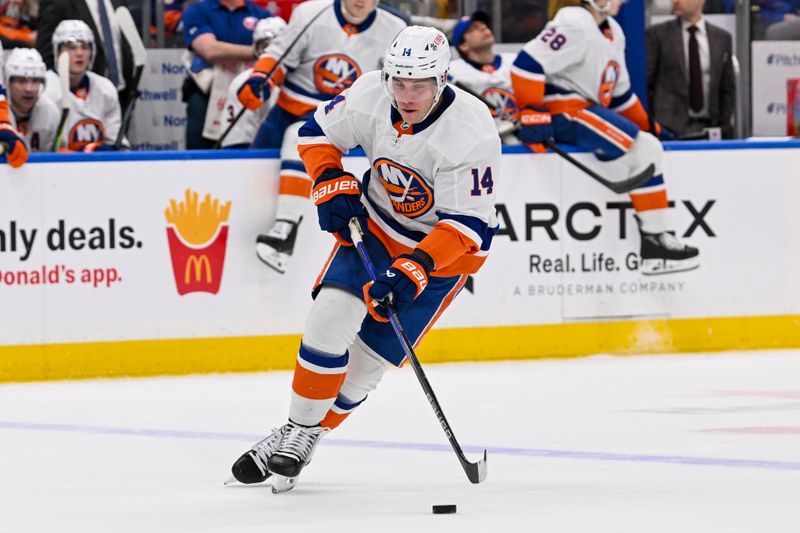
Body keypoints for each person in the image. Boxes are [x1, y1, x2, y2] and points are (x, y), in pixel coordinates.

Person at [229, 26, 500, 493]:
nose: (406, 95)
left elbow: (467, 227)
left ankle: (301, 433)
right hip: (374, 228)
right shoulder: (370, 93)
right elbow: (314, 133)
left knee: (363, 370)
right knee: (328, 319)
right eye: (399, 82)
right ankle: (297, 430)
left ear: (442, 80)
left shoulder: (471, 131)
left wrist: (412, 269)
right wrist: (330, 179)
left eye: (419, 85)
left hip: (442, 253)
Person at [511, 0, 700, 275]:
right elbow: (526, 64)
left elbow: (620, 96)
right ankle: (655, 243)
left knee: (648, 144)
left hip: (586, 109)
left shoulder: (614, 31)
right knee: (645, 150)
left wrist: (650, 126)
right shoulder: (574, 21)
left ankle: (656, 242)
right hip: (563, 110)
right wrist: (531, 112)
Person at [238, 0, 406, 274]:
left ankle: (285, 227)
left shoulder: (394, 29)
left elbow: (392, 85)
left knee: (299, 138)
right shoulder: (310, 13)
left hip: (345, 120)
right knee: (251, 174)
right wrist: (261, 79)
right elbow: (279, 56)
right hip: (290, 111)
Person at [180, 0, 271, 149]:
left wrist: (228, 52)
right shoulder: (198, 11)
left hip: (249, 94)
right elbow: (210, 50)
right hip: (207, 96)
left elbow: (275, 49)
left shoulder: (261, 15)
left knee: (248, 149)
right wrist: (256, 51)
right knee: (201, 157)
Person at [647, 0, 735, 139]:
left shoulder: (722, 38)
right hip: (669, 130)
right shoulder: (657, 35)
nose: (675, 1)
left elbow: (727, 87)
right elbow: (647, 83)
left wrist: (723, 126)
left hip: (710, 129)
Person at [43, 20, 122, 151]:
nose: (79, 53)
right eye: (71, 47)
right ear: (57, 51)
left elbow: (115, 141)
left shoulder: (105, 89)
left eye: (85, 47)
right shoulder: (44, 88)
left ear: (92, 52)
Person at [447, 10, 520, 144]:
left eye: (483, 25)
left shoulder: (516, 62)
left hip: (520, 137)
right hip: (477, 143)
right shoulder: (452, 72)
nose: (483, 27)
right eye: (473, 28)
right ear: (463, 45)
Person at [35, 0, 134, 93]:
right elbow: (46, 53)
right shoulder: (58, 2)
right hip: (77, 96)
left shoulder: (119, 2)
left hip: (122, 93)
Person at [220, 16, 287, 149]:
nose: (271, 53)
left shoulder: (305, 78)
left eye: (276, 46)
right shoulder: (244, 83)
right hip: (262, 158)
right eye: (264, 47)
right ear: (256, 50)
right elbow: (236, 143)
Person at [4, 48, 61, 151]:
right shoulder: (1, 109)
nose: (29, 89)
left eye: (35, 81)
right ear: (8, 83)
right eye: (21, 81)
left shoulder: (50, 112)